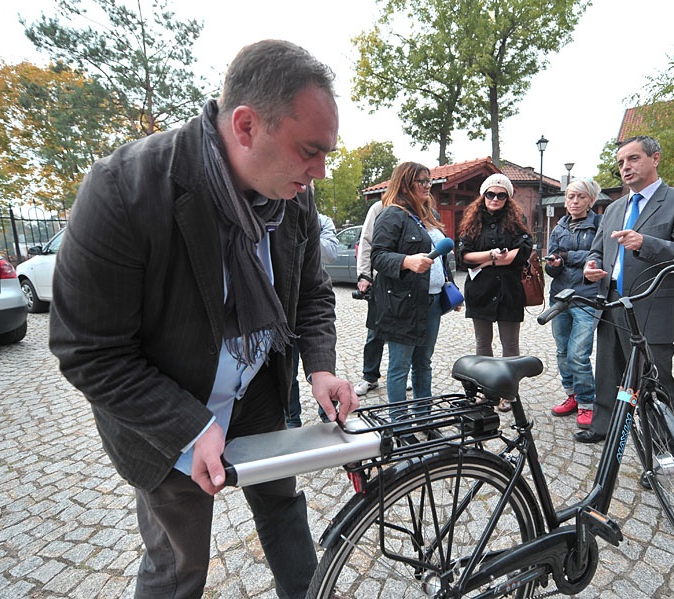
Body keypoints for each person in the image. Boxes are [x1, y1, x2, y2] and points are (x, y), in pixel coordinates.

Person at [48, 40, 358, 599]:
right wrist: (188, 425)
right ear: (245, 126)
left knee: (284, 508)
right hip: (168, 414)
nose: (320, 171)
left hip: (259, 388)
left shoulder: (296, 198)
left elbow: (310, 293)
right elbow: (87, 350)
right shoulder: (124, 190)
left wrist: (319, 368)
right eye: (311, 150)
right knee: (179, 562)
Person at [579, 135, 674, 444]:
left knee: (655, 382)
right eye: (621, 162)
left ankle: (664, 449)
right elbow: (598, 250)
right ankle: (605, 429)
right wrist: (591, 266)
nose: (625, 167)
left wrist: (646, 243)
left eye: (633, 159)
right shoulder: (614, 208)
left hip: (653, 308)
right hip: (611, 304)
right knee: (609, 373)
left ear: (655, 158)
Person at [371, 162, 449, 420]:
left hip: (433, 301)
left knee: (423, 363)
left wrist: (448, 284)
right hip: (403, 304)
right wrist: (406, 261)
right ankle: (401, 425)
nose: (429, 185)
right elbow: (378, 257)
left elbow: (440, 256)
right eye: (422, 181)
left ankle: (423, 418)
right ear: (406, 184)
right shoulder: (391, 215)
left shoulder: (429, 215)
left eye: (429, 181)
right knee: (399, 366)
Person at [545, 178, 602, 430]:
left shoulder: (599, 225)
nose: (574, 202)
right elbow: (551, 267)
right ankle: (572, 395)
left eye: (580, 197)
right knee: (562, 351)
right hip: (560, 297)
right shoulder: (558, 228)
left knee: (578, 354)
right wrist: (553, 264)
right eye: (570, 197)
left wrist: (567, 256)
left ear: (590, 200)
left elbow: (598, 256)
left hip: (586, 297)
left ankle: (587, 404)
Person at [457, 174, 534, 359]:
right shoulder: (472, 223)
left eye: (501, 195)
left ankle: (508, 387)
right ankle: (486, 385)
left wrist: (483, 261)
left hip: (509, 291)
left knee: (510, 345)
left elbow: (521, 252)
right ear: (483, 195)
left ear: (508, 198)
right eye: (490, 194)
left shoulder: (517, 221)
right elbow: (464, 257)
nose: (495, 199)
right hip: (480, 291)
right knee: (482, 344)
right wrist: (493, 255)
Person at [287, 211, 338, 427]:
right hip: (282, 307)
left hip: (310, 299)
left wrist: (303, 230)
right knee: (287, 371)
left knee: (322, 362)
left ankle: (328, 414)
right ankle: (291, 420)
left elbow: (330, 252)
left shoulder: (322, 220)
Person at [352, 199, 384, 396]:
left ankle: (404, 373)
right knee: (375, 331)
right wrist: (365, 275)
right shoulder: (379, 208)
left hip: (409, 282)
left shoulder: (419, 207)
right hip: (381, 281)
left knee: (406, 332)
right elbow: (366, 240)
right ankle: (370, 376)